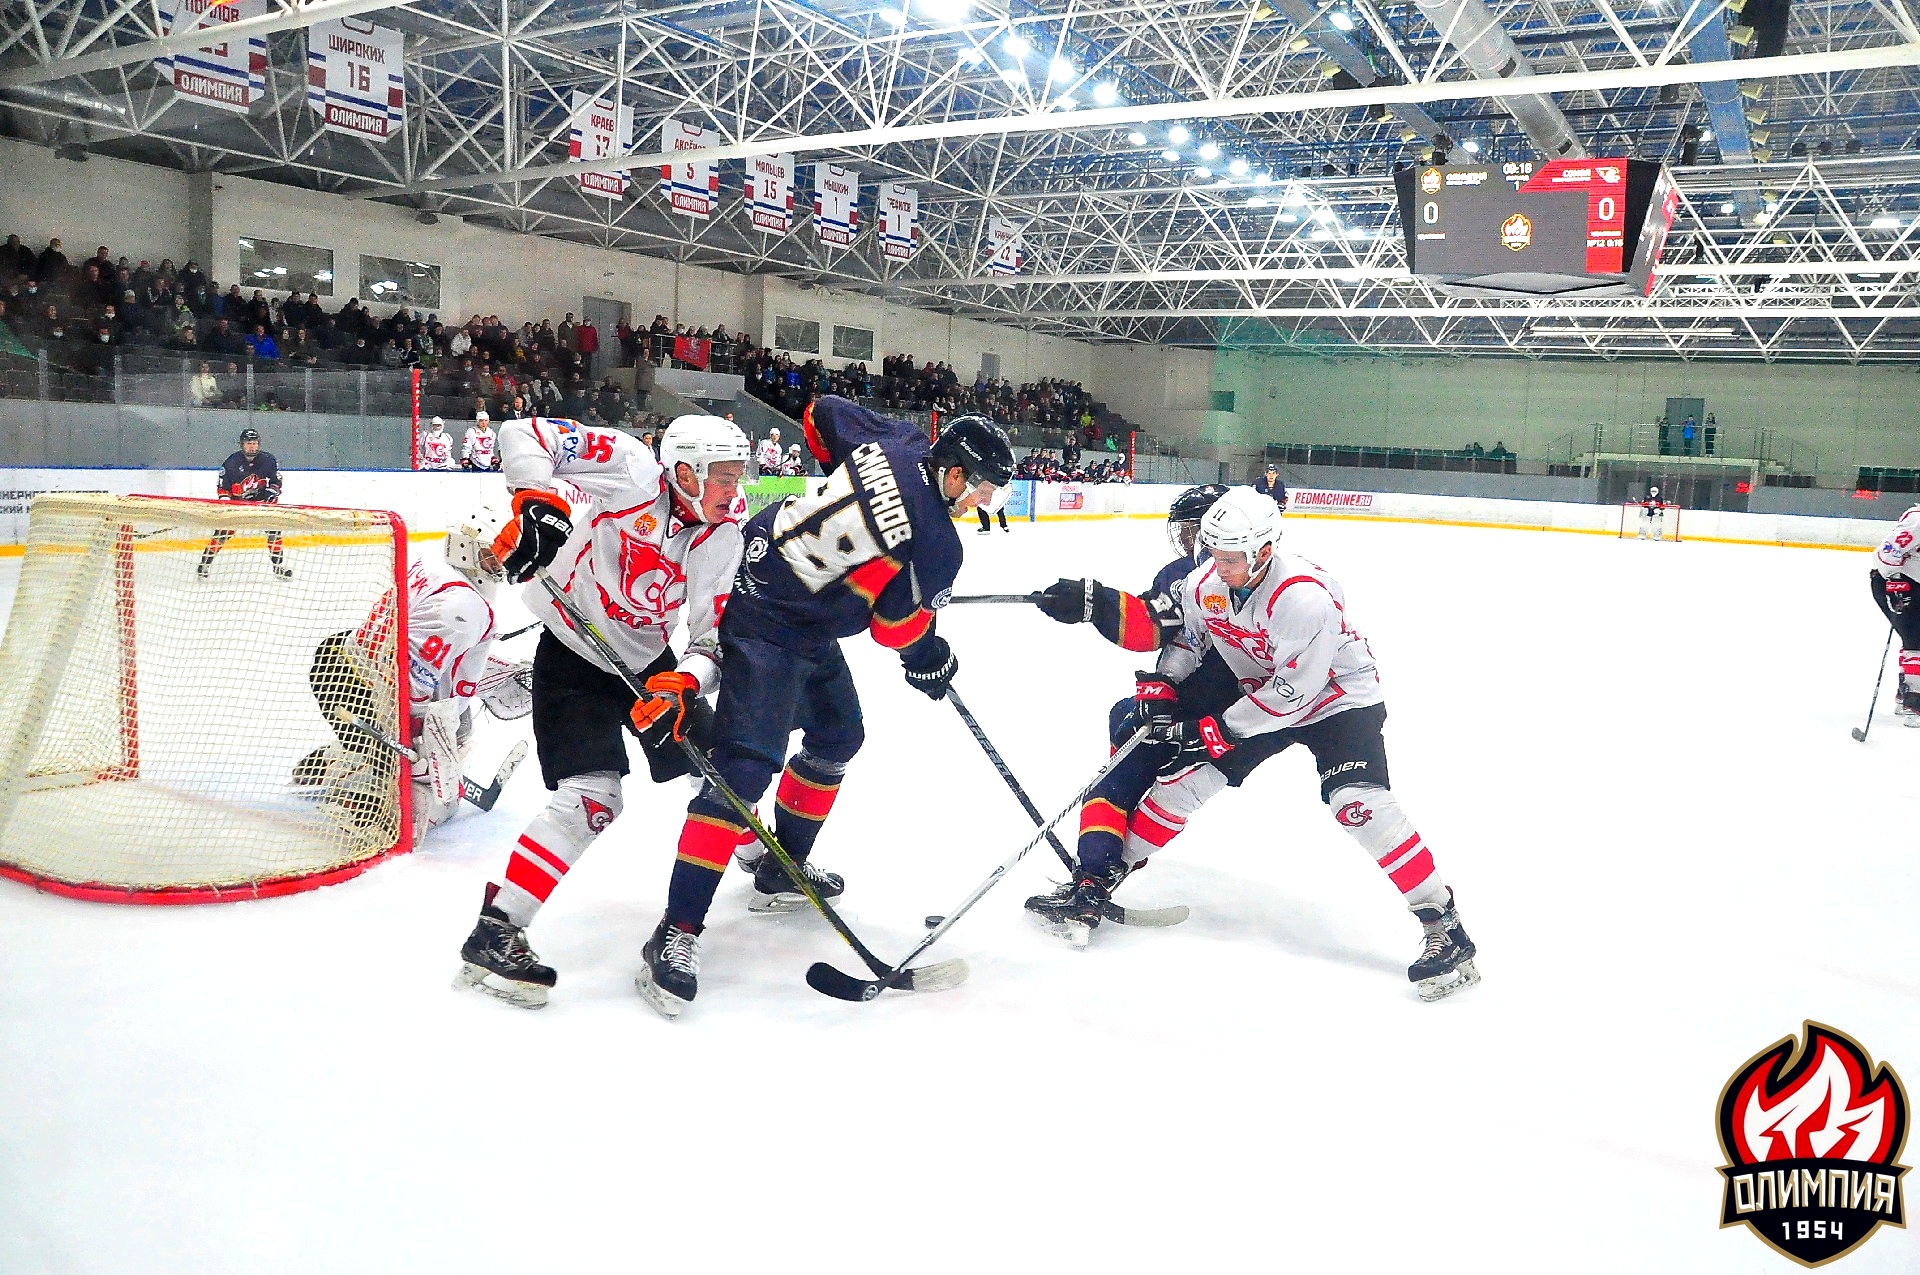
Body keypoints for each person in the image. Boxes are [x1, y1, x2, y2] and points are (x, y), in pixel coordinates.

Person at [1025, 487, 1479, 1002]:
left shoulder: (1304, 597)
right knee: (1178, 788)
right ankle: (1102, 879)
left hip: (1335, 701)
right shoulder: (1206, 581)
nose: (1219, 566)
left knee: (1358, 805)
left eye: (1231, 557)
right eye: (1214, 553)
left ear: (1264, 551)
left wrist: (1217, 730)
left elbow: (1294, 693)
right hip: (1260, 694)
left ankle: (1445, 925)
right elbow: (1193, 637)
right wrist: (1165, 683)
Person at [633, 400, 1011, 1018]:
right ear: (956, 474)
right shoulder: (939, 543)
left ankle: (783, 869)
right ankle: (675, 931)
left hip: (782, 583)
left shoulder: (901, 437)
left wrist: (848, 491)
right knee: (744, 772)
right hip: (765, 622)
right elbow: (894, 631)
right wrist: (931, 654)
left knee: (839, 733)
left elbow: (820, 414)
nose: (978, 505)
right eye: (982, 490)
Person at [454, 414, 751, 1009]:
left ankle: (756, 858)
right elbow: (523, 433)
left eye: (738, 475)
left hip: (648, 665)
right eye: (721, 476)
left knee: (723, 770)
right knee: (593, 798)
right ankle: (497, 929)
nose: (733, 489)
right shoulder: (633, 470)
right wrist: (535, 498)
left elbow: (712, 636)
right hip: (569, 648)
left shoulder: (723, 531)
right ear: (684, 471)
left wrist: (684, 683)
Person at [292, 511, 506, 846]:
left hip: (346, 660)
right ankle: (363, 773)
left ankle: (363, 754)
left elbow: (423, 646)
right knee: (428, 797)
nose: (501, 563)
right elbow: (411, 687)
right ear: (465, 548)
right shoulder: (463, 608)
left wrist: (490, 674)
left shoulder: (438, 572)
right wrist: (422, 750)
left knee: (458, 731)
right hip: (362, 689)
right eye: (492, 554)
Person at [196, 427, 289, 580]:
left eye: (254, 443)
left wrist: (273, 491)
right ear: (242, 444)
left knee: (274, 532)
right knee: (222, 534)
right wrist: (226, 502)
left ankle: (278, 567)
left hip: (261, 505)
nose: (251, 446)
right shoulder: (231, 462)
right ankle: (204, 564)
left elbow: (276, 481)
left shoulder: (268, 460)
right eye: (248, 443)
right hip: (238, 506)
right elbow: (223, 487)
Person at [1870, 502, 1920, 725]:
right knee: (1916, 638)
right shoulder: (1918, 519)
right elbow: (1887, 553)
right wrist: (1893, 580)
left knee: (1913, 637)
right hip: (1895, 583)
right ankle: (1914, 702)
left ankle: (1905, 694)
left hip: (1913, 583)